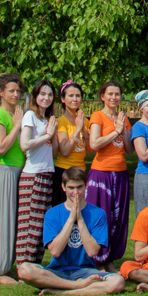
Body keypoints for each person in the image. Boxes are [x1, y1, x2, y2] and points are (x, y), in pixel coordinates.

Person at [15, 166, 125, 296]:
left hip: (86, 271)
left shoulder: (98, 213)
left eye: (79, 187)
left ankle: (62, 292)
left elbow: (92, 251)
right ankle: (76, 286)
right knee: (24, 269)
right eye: (71, 188)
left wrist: (80, 219)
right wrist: (71, 219)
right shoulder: (52, 214)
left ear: (86, 186)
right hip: (57, 271)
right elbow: (55, 251)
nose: (75, 192)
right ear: (63, 187)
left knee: (118, 281)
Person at [86, 80, 133, 262]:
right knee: (100, 216)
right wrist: (115, 131)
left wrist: (124, 131)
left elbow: (129, 150)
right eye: (110, 94)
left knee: (118, 217)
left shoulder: (123, 119)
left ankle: (110, 259)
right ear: (102, 96)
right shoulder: (97, 116)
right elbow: (94, 143)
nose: (114, 97)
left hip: (120, 173)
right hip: (101, 173)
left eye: (117, 94)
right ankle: (97, 259)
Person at [16, 79, 61, 267]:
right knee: (29, 224)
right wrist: (47, 135)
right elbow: (24, 144)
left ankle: (35, 264)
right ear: (35, 96)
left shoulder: (46, 120)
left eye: (50, 95)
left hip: (47, 174)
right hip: (32, 176)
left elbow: (53, 152)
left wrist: (53, 134)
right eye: (42, 94)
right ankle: (23, 265)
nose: (46, 98)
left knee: (41, 224)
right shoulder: (30, 116)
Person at [0, 72, 26, 284]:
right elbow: (0, 147)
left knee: (13, 221)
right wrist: (17, 125)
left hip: (18, 170)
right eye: (11, 91)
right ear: (1, 92)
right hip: (4, 170)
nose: (15, 94)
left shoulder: (17, 114)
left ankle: (7, 266)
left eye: (18, 91)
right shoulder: (1, 115)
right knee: (2, 220)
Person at [53, 79, 90, 207]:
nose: (75, 99)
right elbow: (65, 151)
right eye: (71, 96)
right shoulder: (61, 121)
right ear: (63, 99)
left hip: (81, 170)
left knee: (80, 209)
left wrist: (84, 129)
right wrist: (77, 129)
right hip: (64, 171)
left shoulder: (84, 121)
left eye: (78, 96)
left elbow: (90, 149)